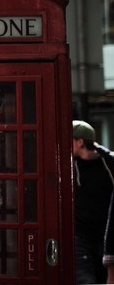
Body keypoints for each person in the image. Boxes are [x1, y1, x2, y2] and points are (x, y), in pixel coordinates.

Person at [72, 120, 114, 284]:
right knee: (84, 279)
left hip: (105, 234)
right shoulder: (69, 165)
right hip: (80, 235)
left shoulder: (109, 163)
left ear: (80, 141)